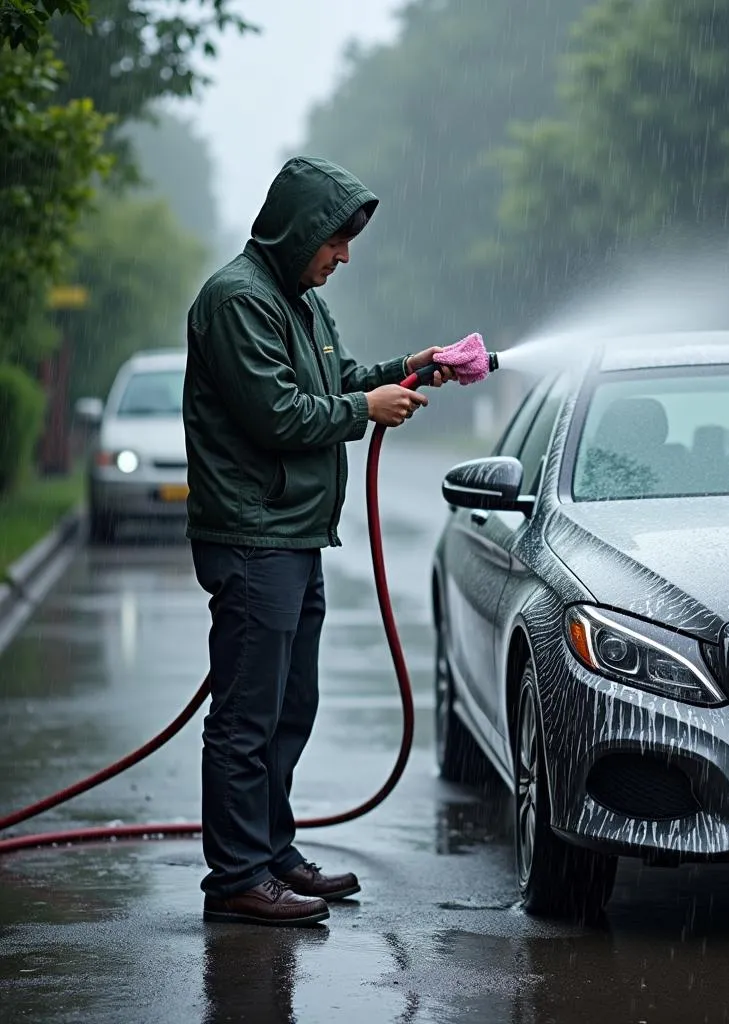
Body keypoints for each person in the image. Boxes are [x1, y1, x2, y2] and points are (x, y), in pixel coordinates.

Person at [182, 155, 455, 927]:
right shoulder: (239, 300)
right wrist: (366, 409)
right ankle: (237, 877)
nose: (342, 256)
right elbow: (279, 414)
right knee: (246, 715)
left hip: (293, 535)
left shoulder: (297, 302)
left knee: (289, 703)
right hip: (253, 535)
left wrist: (408, 369)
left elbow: (330, 385)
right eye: (334, 242)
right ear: (298, 231)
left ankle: (271, 852)